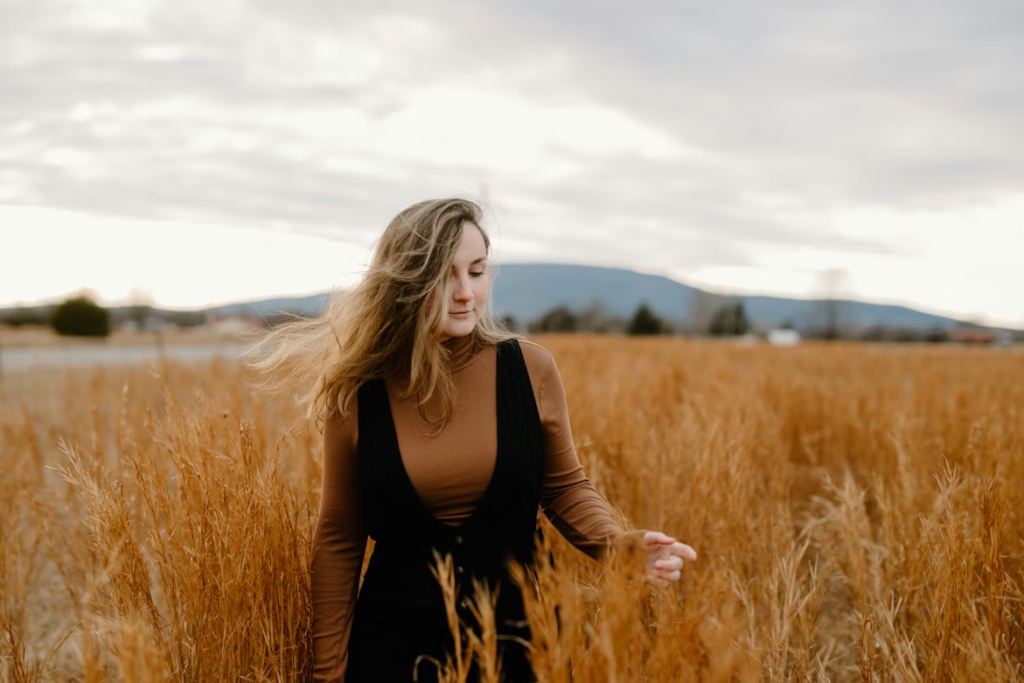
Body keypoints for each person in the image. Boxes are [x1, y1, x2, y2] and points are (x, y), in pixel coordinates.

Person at [248, 198, 696, 683]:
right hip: (393, 652)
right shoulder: (358, 394)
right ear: (407, 283)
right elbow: (339, 537)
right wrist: (328, 673)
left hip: (520, 643)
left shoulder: (529, 369)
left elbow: (565, 486)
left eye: (477, 271)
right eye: (446, 275)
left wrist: (619, 546)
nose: (466, 293)